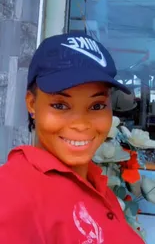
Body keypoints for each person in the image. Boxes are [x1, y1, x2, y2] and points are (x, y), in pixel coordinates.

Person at [0, 33, 144, 244]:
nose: (81, 124)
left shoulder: (96, 184)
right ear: (31, 104)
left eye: (97, 106)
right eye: (60, 105)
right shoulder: (12, 193)